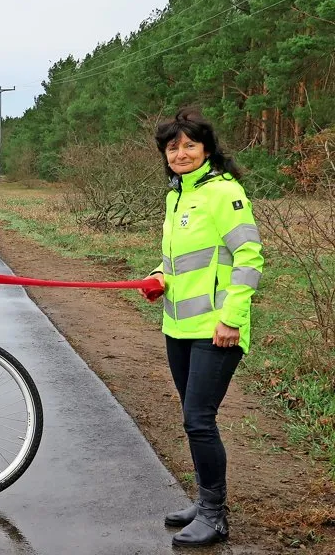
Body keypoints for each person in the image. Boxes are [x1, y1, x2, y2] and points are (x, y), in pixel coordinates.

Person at [140, 108, 264, 547]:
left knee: (199, 419)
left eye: (190, 145)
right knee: (193, 419)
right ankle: (204, 500)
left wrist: (232, 317)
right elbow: (181, 260)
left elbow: (248, 257)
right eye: (173, 147)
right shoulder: (177, 196)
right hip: (178, 326)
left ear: (206, 149)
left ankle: (215, 515)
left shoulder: (224, 192)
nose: (181, 153)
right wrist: (158, 276)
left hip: (217, 329)